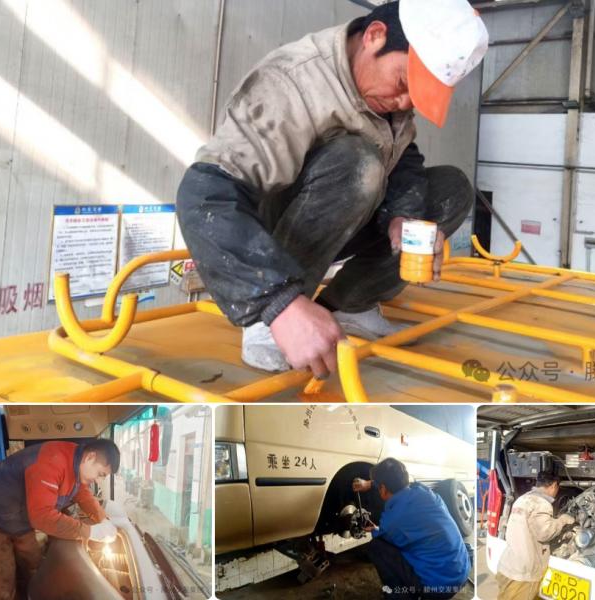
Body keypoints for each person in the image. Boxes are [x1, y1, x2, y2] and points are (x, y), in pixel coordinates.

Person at [176, 0, 488, 378]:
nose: (404, 103)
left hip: (345, 215)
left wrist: (402, 216)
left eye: (415, 96)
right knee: (359, 164)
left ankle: (351, 305)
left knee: (451, 190)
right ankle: (269, 324)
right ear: (375, 36)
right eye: (403, 84)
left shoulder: (385, 94)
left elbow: (401, 153)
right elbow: (204, 194)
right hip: (270, 240)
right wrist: (278, 303)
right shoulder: (291, 83)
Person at [0, 438, 121, 600]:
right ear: (90, 457)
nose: (99, 481)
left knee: (33, 562)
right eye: (100, 474)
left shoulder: (77, 462)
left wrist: (102, 519)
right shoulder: (52, 462)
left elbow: (82, 492)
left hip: (21, 518)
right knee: (3, 577)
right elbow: (42, 517)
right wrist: (90, 532)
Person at [353, 458, 471, 599]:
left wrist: (374, 530)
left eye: (378, 487)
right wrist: (369, 484)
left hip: (436, 589)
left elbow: (385, 536)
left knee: (376, 547)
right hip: (461, 573)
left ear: (383, 489)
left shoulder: (392, 520)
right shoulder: (425, 492)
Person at [496, 474, 575, 600]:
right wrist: (562, 520)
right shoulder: (541, 503)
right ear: (554, 485)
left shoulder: (523, 499)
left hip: (509, 564)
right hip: (524, 574)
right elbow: (545, 533)